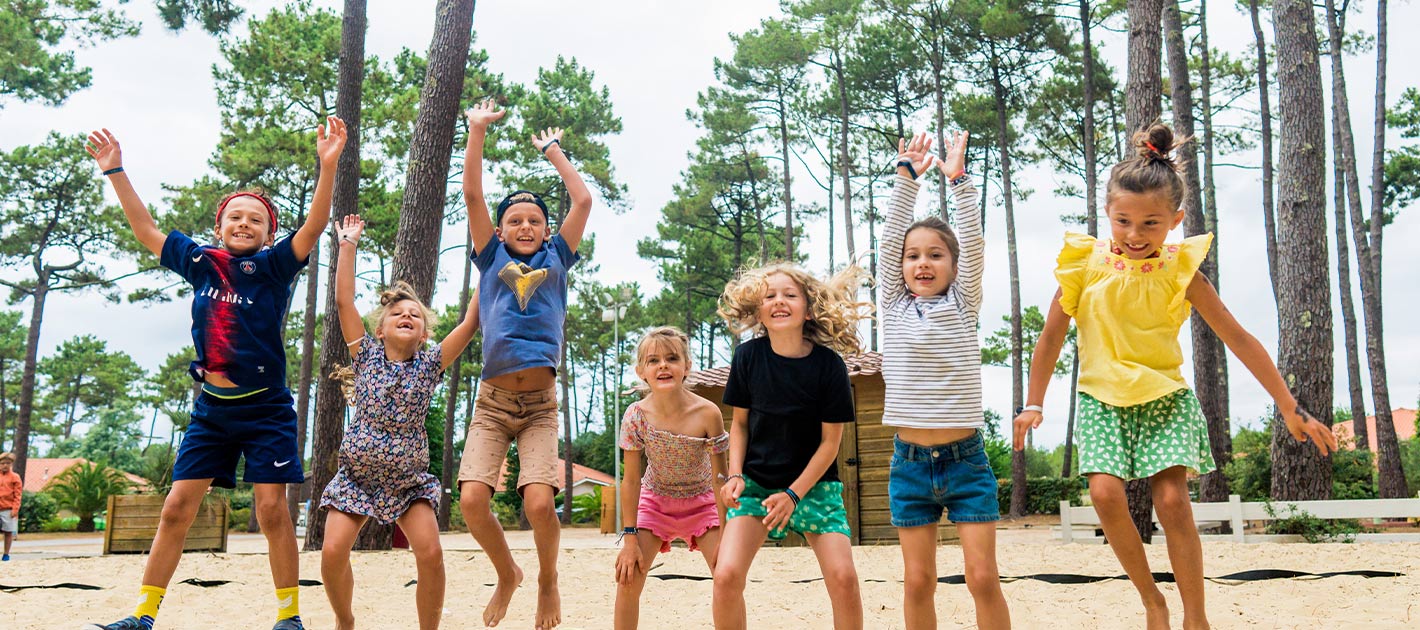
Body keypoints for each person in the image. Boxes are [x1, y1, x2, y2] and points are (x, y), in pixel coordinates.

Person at [1012, 123, 1338, 630]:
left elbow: (1239, 338)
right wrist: (1033, 402)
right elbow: (1050, 338)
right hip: (1102, 397)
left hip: (1164, 397)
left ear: (1175, 220)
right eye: (1123, 221)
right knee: (1103, 494)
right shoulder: (1084, 265)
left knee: (1171, 501)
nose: (1135, 235)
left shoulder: (1181, 269)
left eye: (1151, 223)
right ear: (1107, 213)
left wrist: (1289, 405)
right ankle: (1151, 599)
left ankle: (1196, 617)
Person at [82, 117, 347, 630]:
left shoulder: (273, 267)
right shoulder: (202, 263)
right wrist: (115, 170)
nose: (244, 224)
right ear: (219, 228)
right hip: (212, 411)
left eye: (255, 220)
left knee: (272, 510)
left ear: (269, 233)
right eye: (235, 218)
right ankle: (142, 615)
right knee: (176, 508)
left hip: (266, 408)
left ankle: (289, 617)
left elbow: (314, 226)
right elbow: (145, 229)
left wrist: (327, 165)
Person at [455, 99, 593, 630]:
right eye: (515, 220)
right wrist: (476, 131)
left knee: (539, 504)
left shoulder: (557, 256)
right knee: (471, 500)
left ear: (546, 227)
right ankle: (507, 572)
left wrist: (552, 152)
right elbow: (472, 194)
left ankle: (547, 578)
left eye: (535, 219)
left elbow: (582, 199)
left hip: (539, 405)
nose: (526, 225)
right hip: (492, 402)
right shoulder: (491, 256)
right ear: (502, 229)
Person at [318, 214, 479, 630]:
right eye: (397, 314)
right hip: (356, 478)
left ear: (424, 333)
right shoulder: (366, 355)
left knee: (430, 554)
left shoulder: (430, 364)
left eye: (416, 315)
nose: (407, 317)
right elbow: (343, 302)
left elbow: (470, 323)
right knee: (332, 553)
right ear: (380, 329)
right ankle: (345, 619)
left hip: (408, 483)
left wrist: (487, 264)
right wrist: (348, 245)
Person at [879, 131, 1010, 629]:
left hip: (965, 463)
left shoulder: (962, 306)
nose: (922, 263)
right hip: (908, 465)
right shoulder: (894, 306)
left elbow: (973, 245)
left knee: (982, 577)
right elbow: (890, 239)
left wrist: (958, 182)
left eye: (935, 254)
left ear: (954, 267)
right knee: (917, 581)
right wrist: (905, 179)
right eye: (914, 256)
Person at [712, 262, 871, 630]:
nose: (779, 301)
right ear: (759, 311)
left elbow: (830, 444)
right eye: (770, 296)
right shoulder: (747, 358)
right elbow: (738, 425)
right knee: (725, 576)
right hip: (756, 486)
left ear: (809, 308)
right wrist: (735, 475)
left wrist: (793, 495)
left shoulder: (829, 366)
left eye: (789, 295)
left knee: (845, 579)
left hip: (814, 489)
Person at [613, 327, 729, 629]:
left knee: (728, 575)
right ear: (642, 371)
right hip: (655, 502)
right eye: (653, 361)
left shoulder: (708, 413)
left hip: (703, 501)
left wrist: (727, 531)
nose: (663, 365)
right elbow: (631, 480)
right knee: (628, 578)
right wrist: (629, 538)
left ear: (686, 366)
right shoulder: (636, 415)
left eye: (672, 358)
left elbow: (721, 478)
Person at [0, 452, 21, 561]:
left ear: (11, 464)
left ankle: (6, 554)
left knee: (8, 532)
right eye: (3, 463)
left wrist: (15, 509)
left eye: (7, 463)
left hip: (7, 509)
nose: (5, 465)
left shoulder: (15, 477)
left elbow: (17, 495)